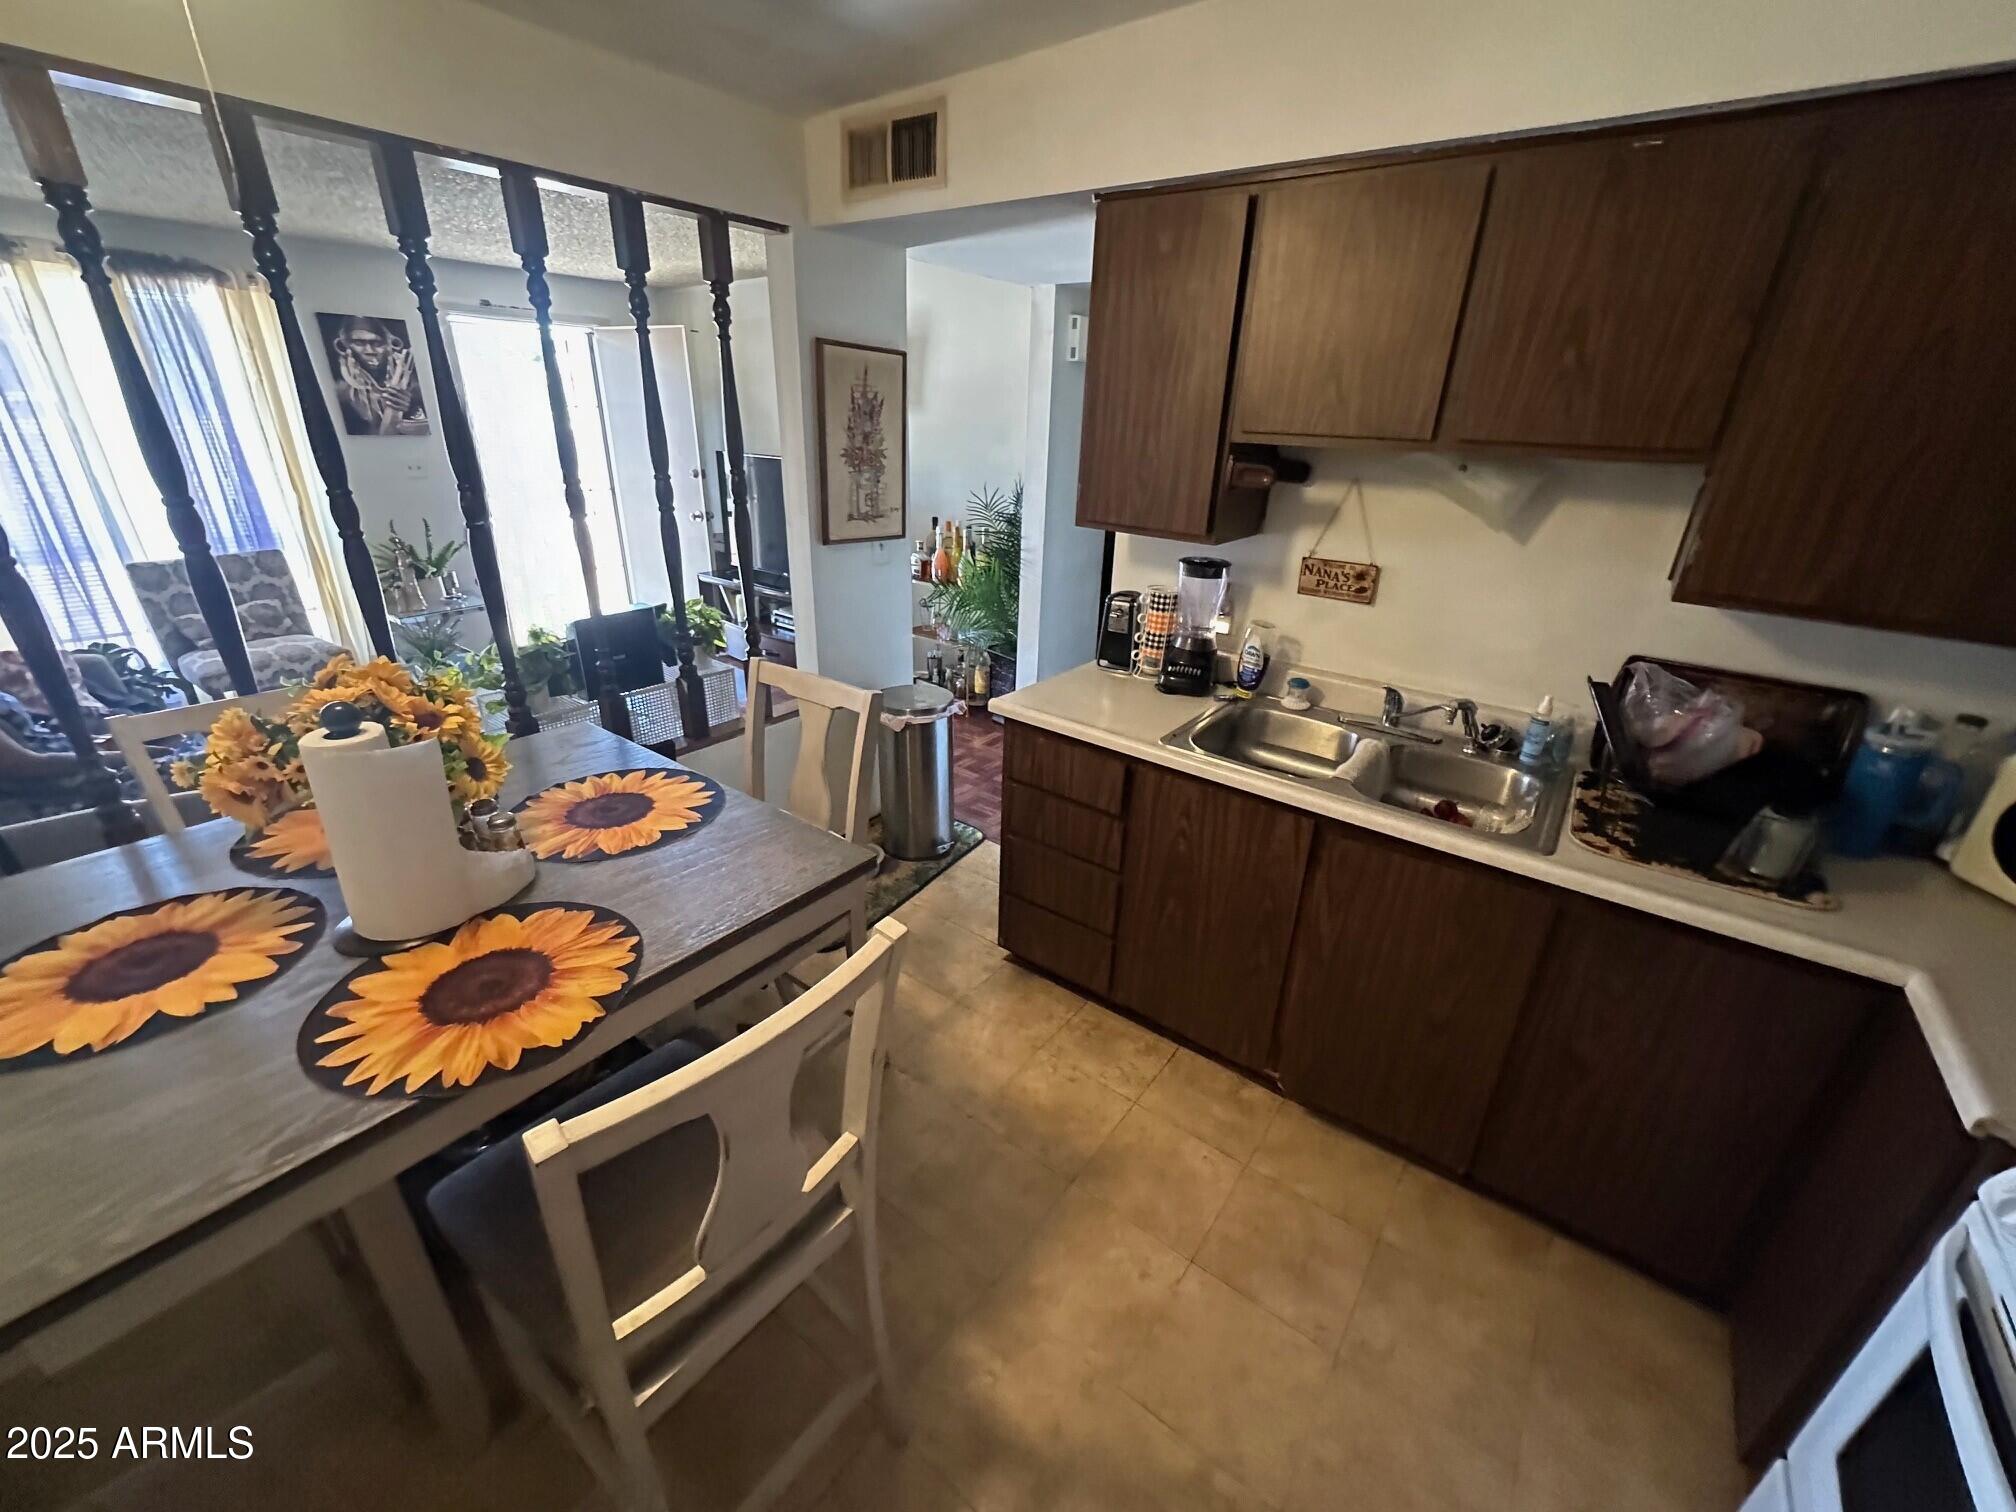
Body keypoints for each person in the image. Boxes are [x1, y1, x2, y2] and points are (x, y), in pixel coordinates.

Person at [328, 316, 429, 435]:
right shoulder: (341, 391)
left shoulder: (413, 380)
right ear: (344, 346)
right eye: (359, 343)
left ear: (389, 344)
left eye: (377, 343)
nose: (369, 350)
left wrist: (410, 407)